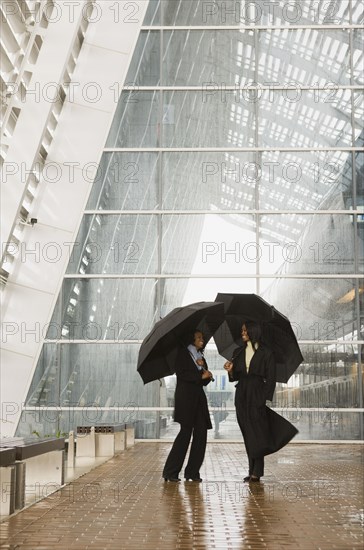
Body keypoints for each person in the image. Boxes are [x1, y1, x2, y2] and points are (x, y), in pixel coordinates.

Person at [224, 321, 298, 482]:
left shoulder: (267, 353)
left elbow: (271, 379)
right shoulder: (238, 352)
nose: (242, 333)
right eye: (242, 330)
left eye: (245, 330)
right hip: (242, 394)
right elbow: (235, 377)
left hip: (256, 392)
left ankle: (257, 472)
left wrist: (262, 398)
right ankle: (252, 470)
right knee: (247, 432)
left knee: (255, 432)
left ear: (253, 331)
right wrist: (230, 371)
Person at [162, 330, 214, 482]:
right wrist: (199, 375)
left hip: (198, 401)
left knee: (201, 434)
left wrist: (205, 373)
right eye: (198, 338)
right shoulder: (183, 355)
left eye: (202, 338)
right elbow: (183, 375)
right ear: (191, 340)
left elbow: (203, 380)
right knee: (185, 435)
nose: (202, 340)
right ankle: (170, 472)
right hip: (186, 400)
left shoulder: (200, 357)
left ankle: (192, 472)